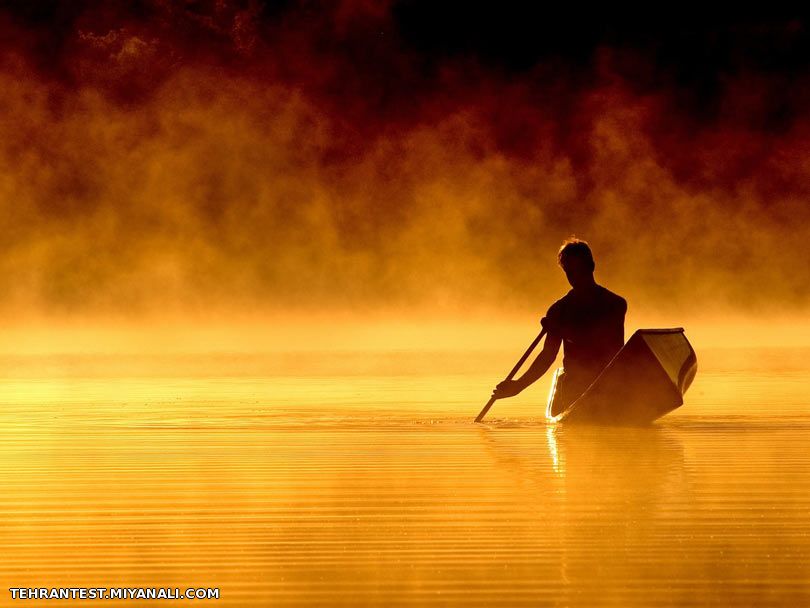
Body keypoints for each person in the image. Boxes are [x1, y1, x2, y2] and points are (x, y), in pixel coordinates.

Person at [492, 238, 627, 416]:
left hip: (610, 384)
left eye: (580, 270)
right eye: (570, 272)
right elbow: (548, 356)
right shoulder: (558, 310)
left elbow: (606, 343)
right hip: (575, 387)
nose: (575, 277)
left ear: (592, 267)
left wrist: (562, 330)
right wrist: (519, 386)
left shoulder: (615, 304)